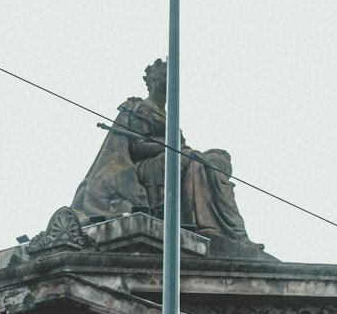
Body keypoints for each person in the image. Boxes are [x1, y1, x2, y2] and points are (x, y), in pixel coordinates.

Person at [70, 59, 251, 240]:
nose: (167, 82)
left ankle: (226, 228)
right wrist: (173, 149)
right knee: (187, 160)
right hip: (144, 166)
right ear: (153, 82)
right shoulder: (138, 107)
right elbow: (136, 147)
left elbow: (183, 146)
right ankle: (204, 223)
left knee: (212, 161)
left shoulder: (170, 117)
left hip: (174, 156)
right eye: (163, 76)